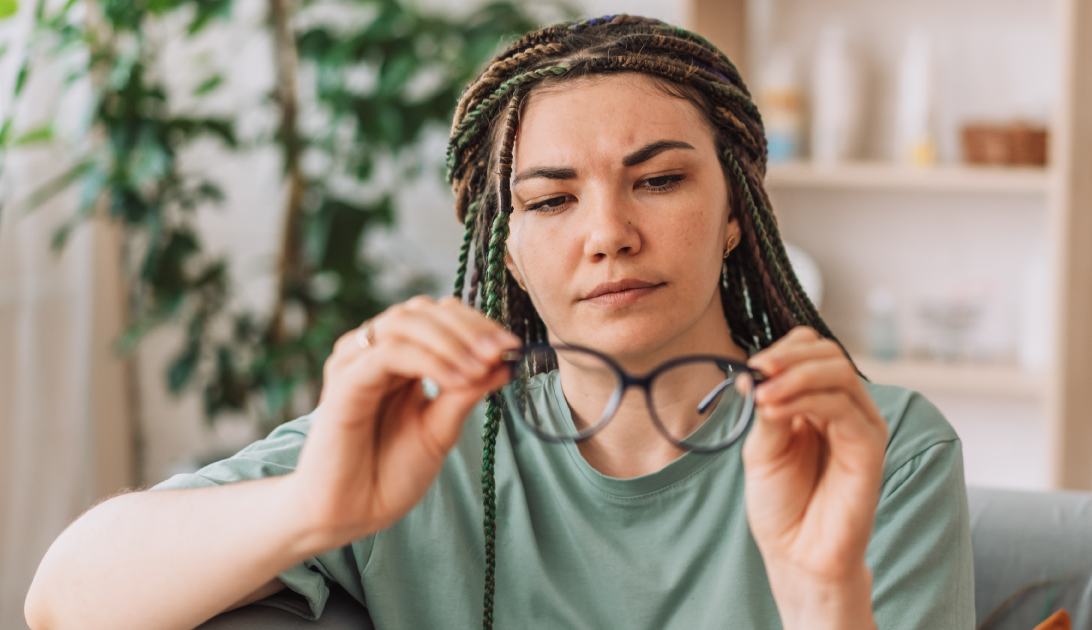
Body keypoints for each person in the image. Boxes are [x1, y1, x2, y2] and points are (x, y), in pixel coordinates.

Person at [25, 15, 973, 630]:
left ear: (736, 212)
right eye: (551, 201)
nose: (609, 233)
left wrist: (821, 599)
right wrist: (314, 508)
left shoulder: (875, 448)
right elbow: (64, 599)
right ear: (504, 248)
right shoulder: (432, 444)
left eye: (660, 180)